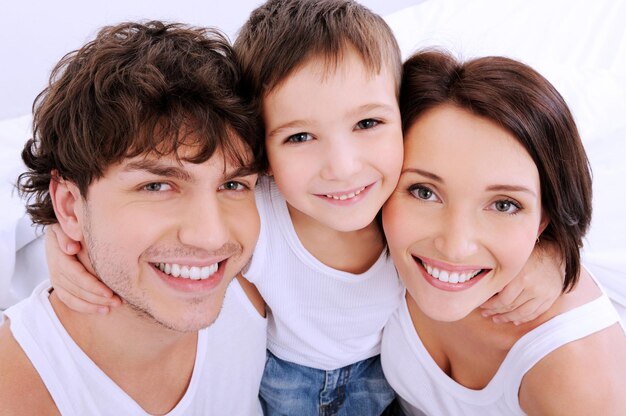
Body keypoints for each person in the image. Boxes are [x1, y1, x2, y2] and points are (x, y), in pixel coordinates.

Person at [44, 1, 567, 414]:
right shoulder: (259, 214)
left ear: (402, 117)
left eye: (368, 124)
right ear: (262, 155)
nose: (343, 167)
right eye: (299, 137)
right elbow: (148, 228)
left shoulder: (407, 206)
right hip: (284, 380)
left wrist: (552, 254)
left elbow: (486, 212)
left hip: (386, 373)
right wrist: (62, 243)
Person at [0, 21, 267, 415]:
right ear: (70, 206)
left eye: (233, 185)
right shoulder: (18, 391)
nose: (210, 237)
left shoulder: (261, 282)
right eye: (157, 186)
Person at [381, 50, 626, 415]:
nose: (455, 246)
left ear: (544, 219)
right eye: (424, 192)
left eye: (504, 205)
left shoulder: (576, 370)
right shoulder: (370, 231)